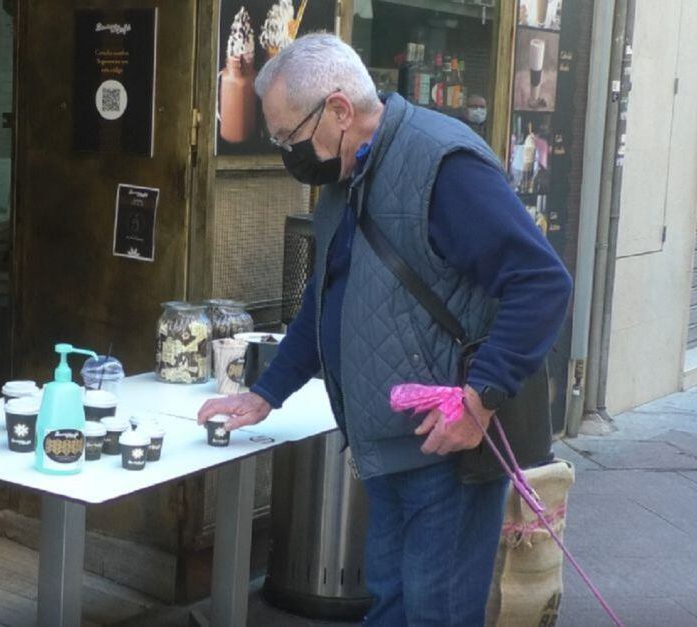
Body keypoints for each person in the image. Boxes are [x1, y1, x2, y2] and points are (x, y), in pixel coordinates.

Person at [196, 34, 572, 625]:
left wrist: (479, 400)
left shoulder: (442, 163)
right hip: (387, 449)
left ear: (339, 110)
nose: (288, 153)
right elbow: (327, 301)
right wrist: (265, 392)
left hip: (446, 451)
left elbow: (542, 283)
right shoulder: (345, 177)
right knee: (392, 605)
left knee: (435, 613)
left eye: (290, 137)